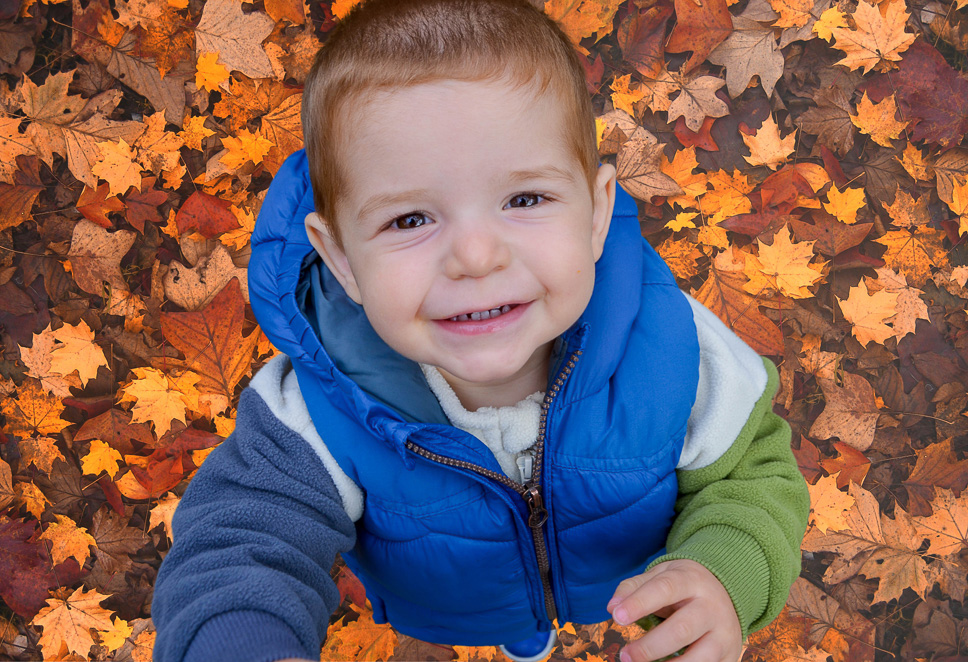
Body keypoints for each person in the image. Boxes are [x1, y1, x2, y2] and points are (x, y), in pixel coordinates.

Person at [150, 1, 810, 661]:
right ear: (342, 260)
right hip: (457, 604)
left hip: (616, 580)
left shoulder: (674, 350)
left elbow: (750, 474)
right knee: (514, 620)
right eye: (409, 219)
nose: (475, 256)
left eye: (525, 199)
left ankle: (539, 616)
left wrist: (726, 570)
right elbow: (239, 544)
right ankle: (524, 631)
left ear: (595, 214)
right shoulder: (321, 410)